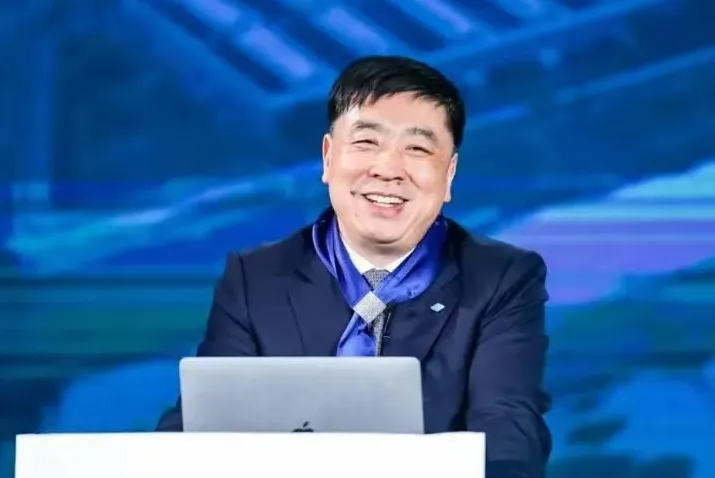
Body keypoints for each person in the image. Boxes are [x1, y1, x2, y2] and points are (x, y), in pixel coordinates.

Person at [157, 56, 552, 477]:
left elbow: (507, 429)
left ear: (449, 173)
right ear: (328, 158)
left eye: (417, 148)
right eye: (366, 142)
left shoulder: (502, 278)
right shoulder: (255, 278)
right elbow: (203, 420)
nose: (388, 169)